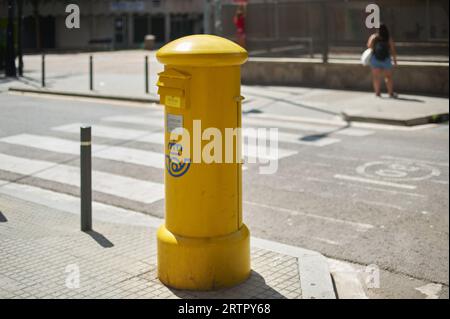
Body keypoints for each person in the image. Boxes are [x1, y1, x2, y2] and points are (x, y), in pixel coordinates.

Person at [367, 24, 398, 98]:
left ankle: (377, 93)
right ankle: (390, 93)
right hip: (386, 60)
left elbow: (369, 46)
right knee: (388, 77)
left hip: (375, 59)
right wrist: (395, 61)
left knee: (376, 77)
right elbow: (393, 50)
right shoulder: (388, 38)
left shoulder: (374, 37)